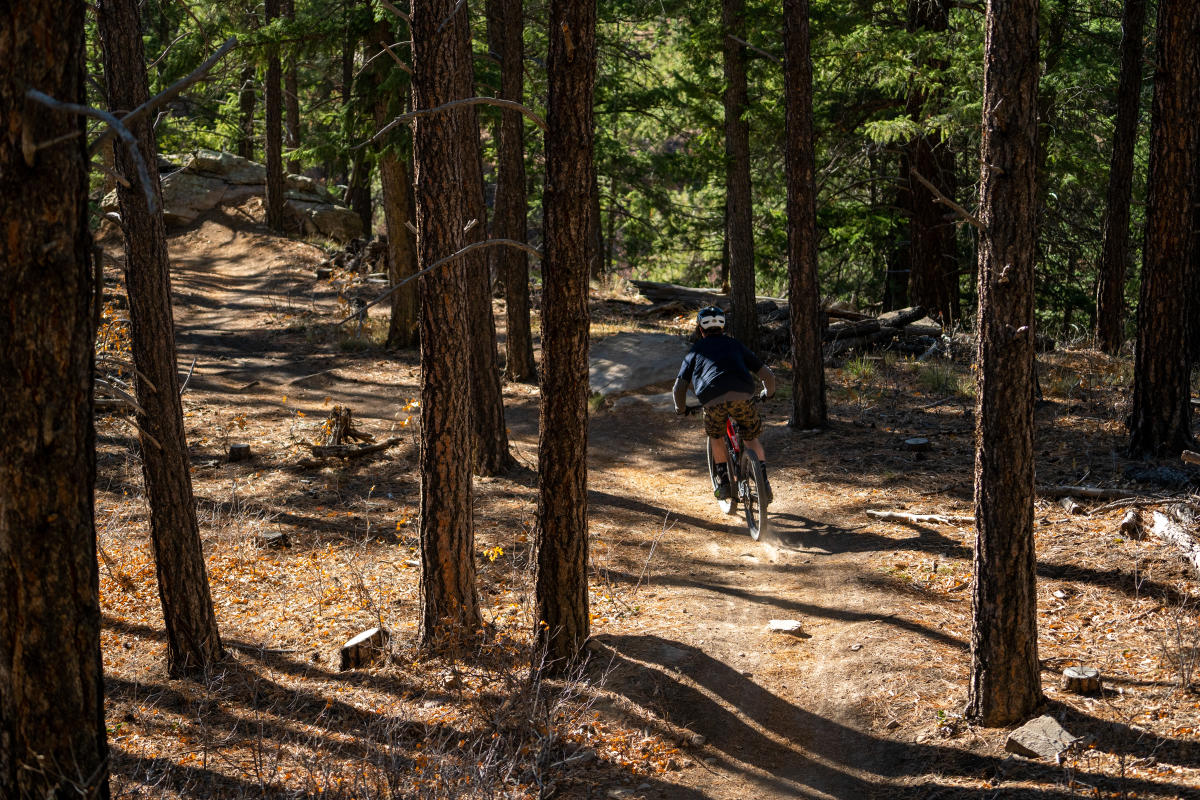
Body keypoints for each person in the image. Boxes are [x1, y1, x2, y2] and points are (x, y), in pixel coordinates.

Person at [673, 306, 776, 503]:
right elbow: (767, 375)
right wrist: (768, 393)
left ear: (700, 330)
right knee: (751, 437)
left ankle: (725, 483)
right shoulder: (735, 345)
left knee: (716, 436)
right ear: (723, 328)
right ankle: (763, 482)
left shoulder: (695, 350)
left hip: (712, 400)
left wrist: (681, 409)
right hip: (743, 396)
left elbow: (679, 388)